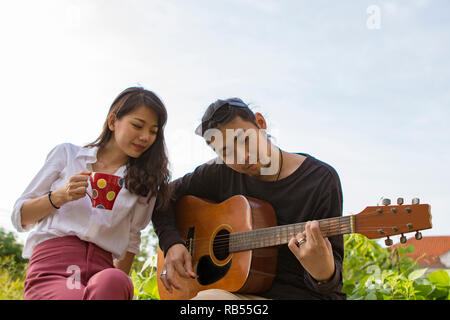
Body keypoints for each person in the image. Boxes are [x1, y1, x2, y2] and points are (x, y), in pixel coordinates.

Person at [152, 98, 346, 300]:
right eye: (226, 152)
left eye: (245, 140)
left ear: (260, 123)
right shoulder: (219, 173)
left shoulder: (319, 179)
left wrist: (324, 274)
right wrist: (172, 243)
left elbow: (332, 283)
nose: (243, 156)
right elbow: (161, 198)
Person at [11, 87, 171, 300]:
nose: (145, 137)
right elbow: (20, 217)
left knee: (116, 280)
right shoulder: (67, 155)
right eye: (137, 125)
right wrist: (60, 196)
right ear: (113, 122)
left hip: (103, 272)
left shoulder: (145, 183)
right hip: (54, 267)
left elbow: (132, 240)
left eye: (153, 131)